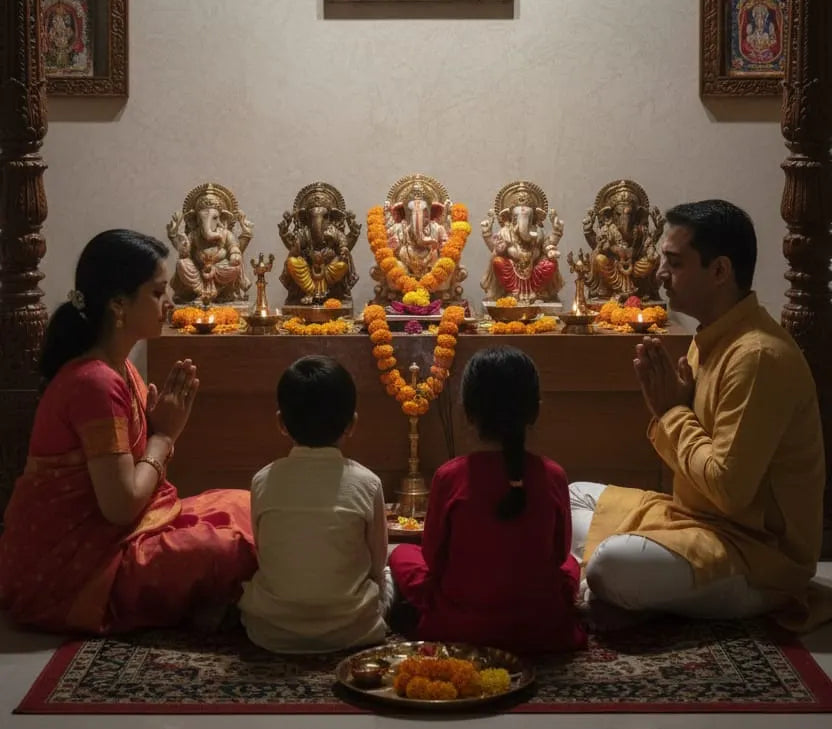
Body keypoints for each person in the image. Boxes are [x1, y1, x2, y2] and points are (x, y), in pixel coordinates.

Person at [571, 199, 832, 629]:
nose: (659, 274)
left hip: (755, 553)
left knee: (609, 566)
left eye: (674, 263)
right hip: (691, 519)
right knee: (569, 496)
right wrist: (677, 409)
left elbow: (728, 490)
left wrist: (673, 412)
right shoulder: (710, 338)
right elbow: (692, 469)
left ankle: (619, 587)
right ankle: (632, 591)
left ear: (720, 271)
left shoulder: (759, 357)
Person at [0, 229, 257, 635]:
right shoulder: (93, 383)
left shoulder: (120, 370)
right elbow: (119, 507)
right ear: (119, 305)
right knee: (221, 547)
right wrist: (164, 436)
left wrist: (155, 430)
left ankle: (213, 601)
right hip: (75, 574)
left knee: (247, 505)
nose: (169, 303)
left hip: (114, 539)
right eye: (157, 293)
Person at [390, 346, 587, 653]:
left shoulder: (449, 476)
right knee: (573, 566)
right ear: (534, 410)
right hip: (540, 624)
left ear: (467, 411)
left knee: (401, 554)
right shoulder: (553, 475)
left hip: (459, 624)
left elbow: (431, 559)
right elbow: (560, 555)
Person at [239, 356, 393, 653]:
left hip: (271, 629)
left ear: (281, 423)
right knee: (394, 570)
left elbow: (263, 552)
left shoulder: (261, 480)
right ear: (352, 424)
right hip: (354, 629)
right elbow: (377, 565)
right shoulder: (368, 482)